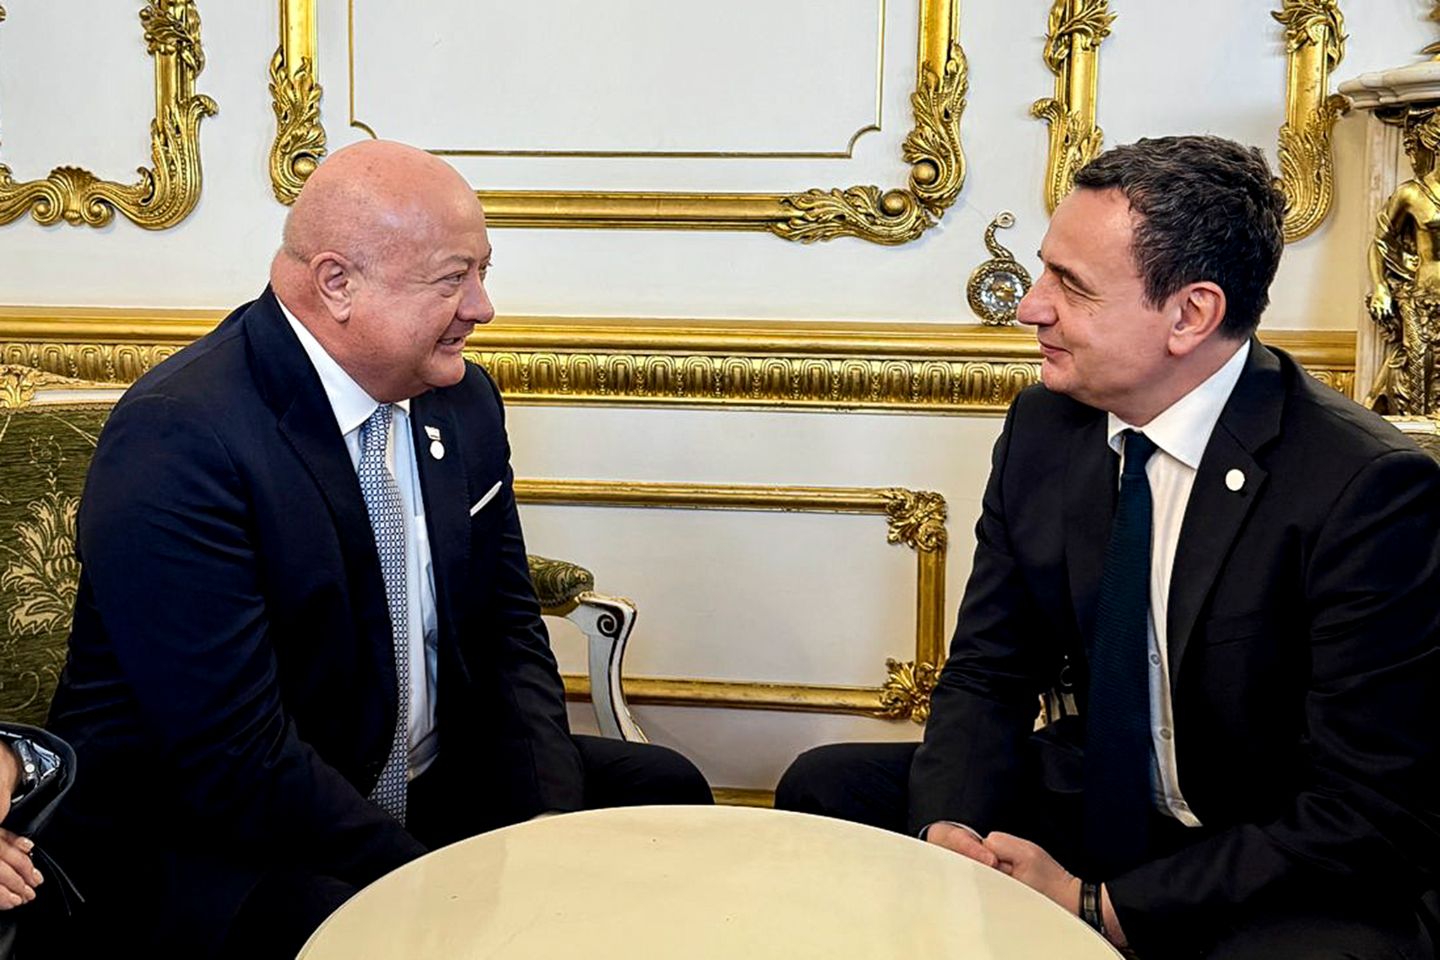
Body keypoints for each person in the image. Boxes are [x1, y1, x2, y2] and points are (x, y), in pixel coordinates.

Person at [41, 140, 711, 959]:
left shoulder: (460, 399)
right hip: (219, 831)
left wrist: (544, 831)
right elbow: (233, 756)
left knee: (661, 797)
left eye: (483, 272)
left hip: (421, 780)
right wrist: (429, 883)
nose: (482, 308)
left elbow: (508, 631)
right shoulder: (181, 437)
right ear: (337, 284)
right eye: (452, 279)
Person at [777, 136, 1440, 959]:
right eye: (1044, 271)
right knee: (832, 790)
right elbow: (989, 672)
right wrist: (950, 832)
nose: (1031, 307)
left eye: (1072, 286)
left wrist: (1099, 906)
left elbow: (1368, 810)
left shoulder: (1364, 487)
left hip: (1269, 847)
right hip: (1101, 798)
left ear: (1190, 315)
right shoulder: (1045, 427)